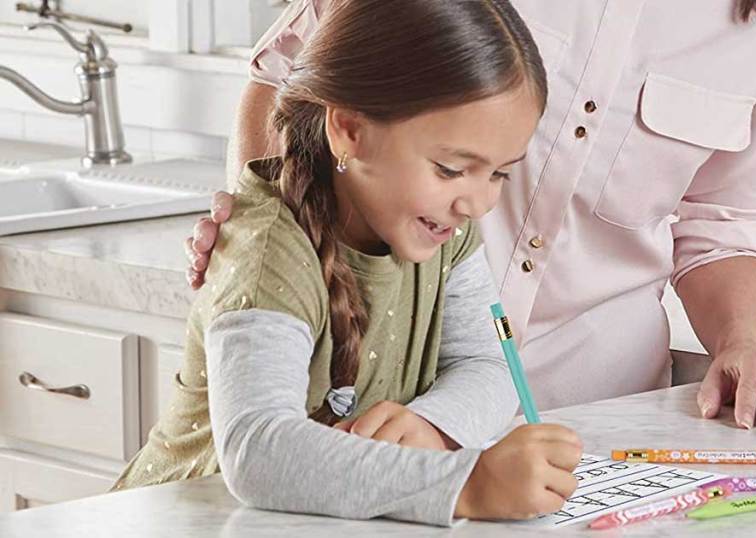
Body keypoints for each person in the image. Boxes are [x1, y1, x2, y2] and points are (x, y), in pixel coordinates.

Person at [192, 0, 756, 431]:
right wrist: (272, 237)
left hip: (599, 414)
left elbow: (723, 214)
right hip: (371, 393)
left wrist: (740, 343)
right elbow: (291, 82)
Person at [115, 0, 583, 526]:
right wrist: (466, 486)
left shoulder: (443, 231)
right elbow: (257, 451)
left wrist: (430, 426)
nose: (477, 203)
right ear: (350, 131)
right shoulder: (271, 249)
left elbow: (495, 362)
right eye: (452, 169)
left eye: (498, 174)